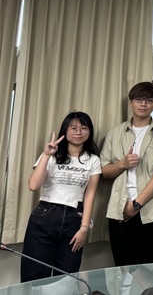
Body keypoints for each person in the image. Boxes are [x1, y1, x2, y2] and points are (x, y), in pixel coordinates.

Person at [20, 112, 101, 281]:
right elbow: (33, 185)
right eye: (73, 128)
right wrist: (47, 155)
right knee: (34, 276)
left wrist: (84, 228)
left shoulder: (92, 160)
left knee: (66, 278)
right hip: (45, 215)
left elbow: (90, 195)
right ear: (65, 131)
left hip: (74, 218)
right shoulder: (50, 155)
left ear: (89, 131)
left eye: (83, 127)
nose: (78, 131)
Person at [100, 82, 153, 266]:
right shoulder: (115, 133)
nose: (143, 104)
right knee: (123, 268)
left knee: (151, 269)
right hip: (119, 210)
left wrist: (137, 204)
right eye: (139, 99)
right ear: (131, 102)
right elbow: (103, 171)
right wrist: (123, 164)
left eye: (149, 100)